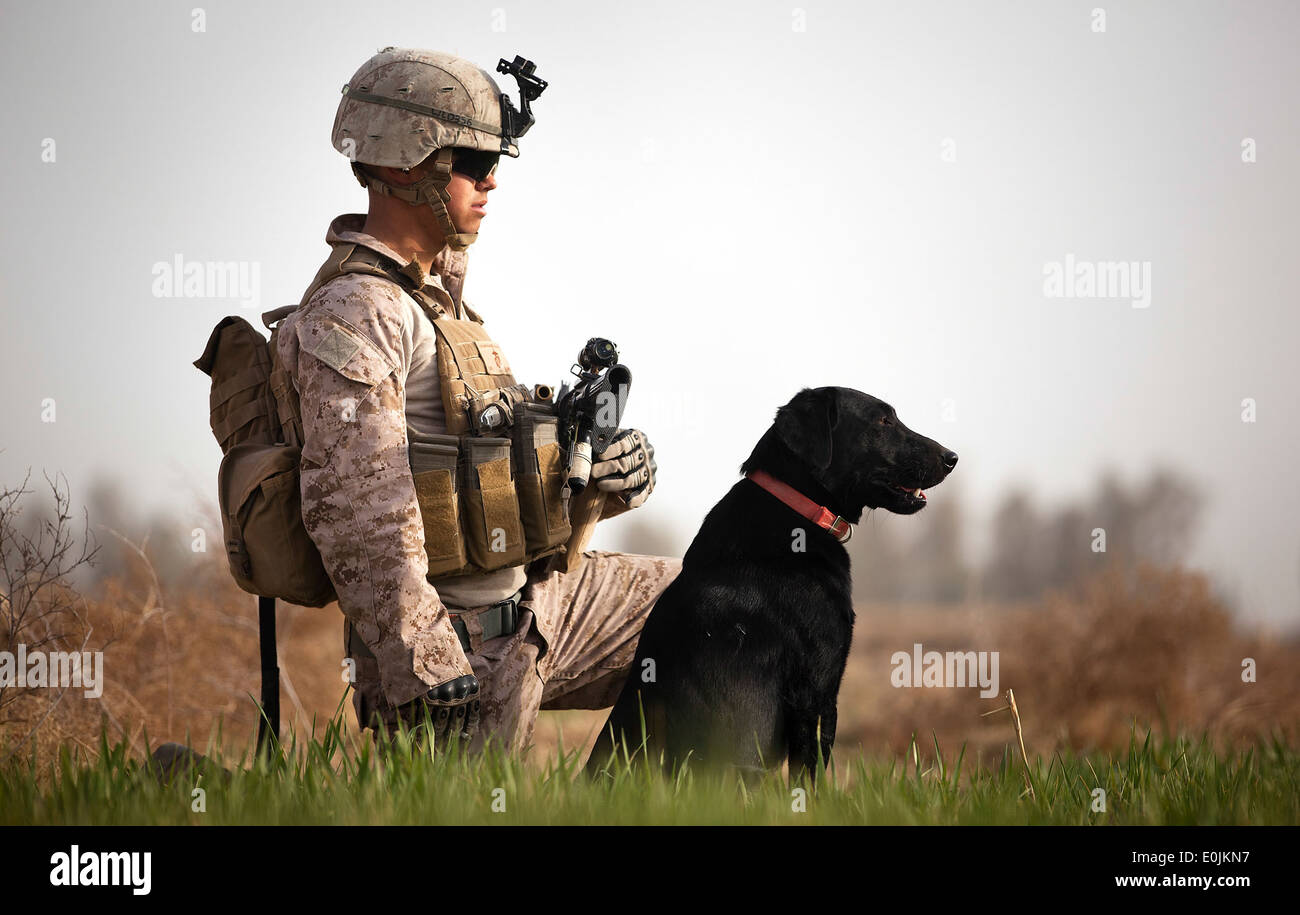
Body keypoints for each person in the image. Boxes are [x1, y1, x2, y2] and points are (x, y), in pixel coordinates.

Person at [276, 47, 680, 755]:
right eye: (468, 159)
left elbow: (487, 469)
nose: (490, 180)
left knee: (726, 605)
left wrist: (603, 477)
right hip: (459, 653)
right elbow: (355, 508)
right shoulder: (359, 312)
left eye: (495, 160)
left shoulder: (440, 298)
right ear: (404, 163)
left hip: (534, 606)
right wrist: (426, 660)